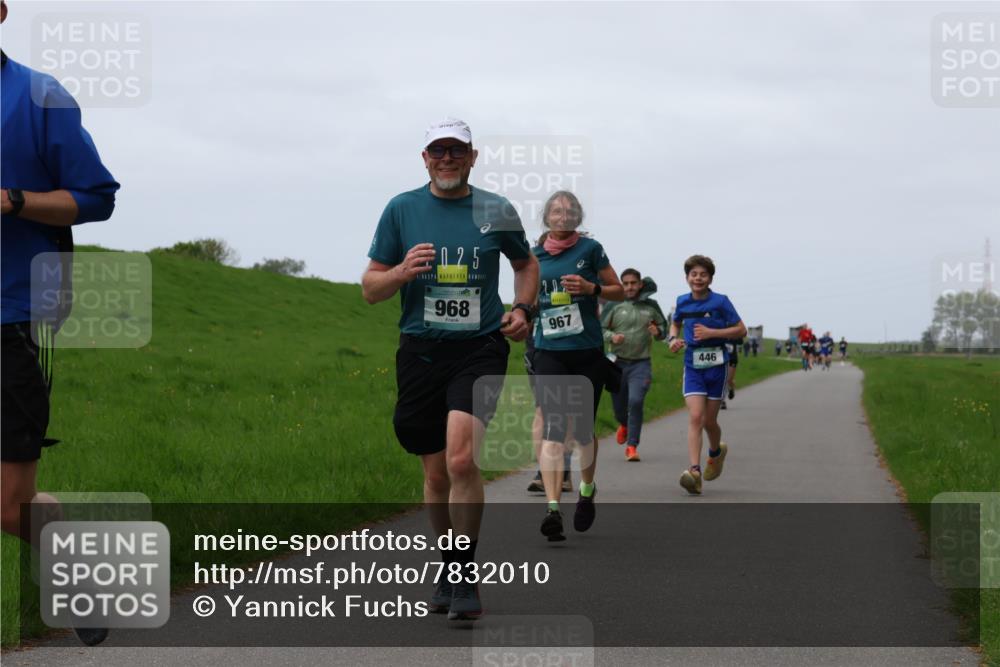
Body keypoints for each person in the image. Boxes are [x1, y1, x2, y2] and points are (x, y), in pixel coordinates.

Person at [363, 118, 539, 620]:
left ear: (472, 156)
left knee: (462, 461)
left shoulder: (494, 209)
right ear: (423, 158)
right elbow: (370, 289)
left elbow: (525, 264)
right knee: (435, 472)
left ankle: (464, 575)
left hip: (479, 349)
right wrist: (399, 272)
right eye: (437, 150)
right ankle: (448, 565)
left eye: (456, 150)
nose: (446, 158)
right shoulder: (401, 210)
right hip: (419, 350)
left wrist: (524, 309)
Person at [1, 0, 121, 646]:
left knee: (10, 504)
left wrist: (12, 200)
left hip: (11, 315)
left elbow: (95, 198)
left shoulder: (38, 96)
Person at [531, 190, 623, 541]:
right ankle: (553, 508)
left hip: (586, 351)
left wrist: (590, 288)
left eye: (570, 209)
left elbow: (618, 290)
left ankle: (586, 490)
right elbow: (526, 297)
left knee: (582, 430)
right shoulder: (533, 256)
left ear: (578, 216)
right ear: (547, 216)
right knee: (554, 426)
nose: (563, 213)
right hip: (549, 350)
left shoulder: (590, 250)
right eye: (556, 208)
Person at [668, 255, 746, 495]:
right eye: (694, 274)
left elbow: (741, 329)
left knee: (710, 422)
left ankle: (716, 453)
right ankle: (695, 472)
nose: (698, 278)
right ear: (687, 278)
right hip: (692, 364)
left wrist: (713, 332)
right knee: (695, 417)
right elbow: (675, 323)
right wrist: (673, 339)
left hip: (717, 366)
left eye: (703, 274)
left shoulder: (721, 302)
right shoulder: (682, 302)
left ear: (710, 278)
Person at [600, 268, 668, 461]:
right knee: (620, 409)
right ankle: (624, 423)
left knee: (636, 401)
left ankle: (632, 446)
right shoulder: (613, 304)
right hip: (617, 364)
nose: (629, 287)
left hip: (641, 364)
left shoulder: (651, 305)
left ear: (640, 284)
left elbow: (663, 328)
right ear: (621, 285)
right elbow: (600, 329)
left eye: (633, 283)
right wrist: (612, 337)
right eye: (626, 283)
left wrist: (658, 332)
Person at [525, 283, 573, 494]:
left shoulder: (582, 255)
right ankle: (544, 472)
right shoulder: (534, 263)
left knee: (568, 410)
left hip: (573, 342)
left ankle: (565, 472)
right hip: (538, 343)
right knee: (542, 409)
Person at [721, 338, 740, 410]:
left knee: (729, 380)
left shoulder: (734, 330)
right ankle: (722, 401)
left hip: (732, 359)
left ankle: (731, 388)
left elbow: (740, 341)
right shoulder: (719, 330)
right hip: (721, 358)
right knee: (723, 379)